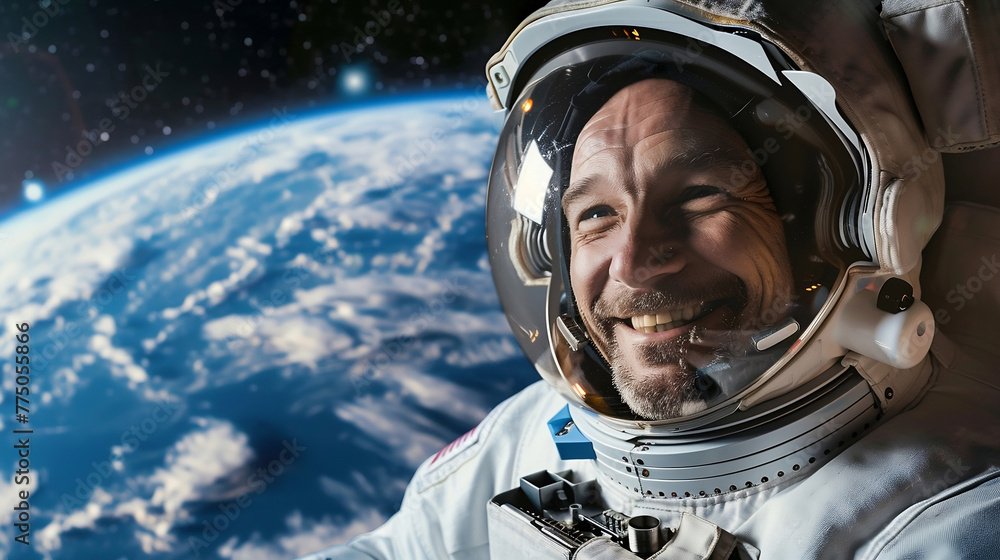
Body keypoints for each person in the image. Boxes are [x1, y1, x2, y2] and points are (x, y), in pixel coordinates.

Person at [303, 0, 1000, 558]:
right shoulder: (537, 433)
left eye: (698, 198)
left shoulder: (945, 530)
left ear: (840, 229)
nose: (634, 263)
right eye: (597, 215)